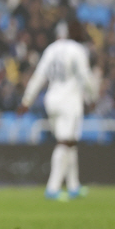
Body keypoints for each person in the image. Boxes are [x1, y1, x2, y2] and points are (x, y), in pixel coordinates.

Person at [20, 21, 97, 200]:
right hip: (69, 102)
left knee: (70, 143)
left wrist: (27, 100)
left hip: (52, 100)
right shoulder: (77, 50)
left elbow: (39, 76)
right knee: (65, 143)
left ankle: (73, 186)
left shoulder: (50, 50)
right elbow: (85, 77)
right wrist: (92, 97)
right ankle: (52, 188)